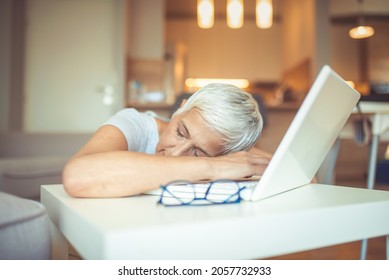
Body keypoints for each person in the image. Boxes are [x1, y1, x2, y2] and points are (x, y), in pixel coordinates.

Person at [62, 83, 271, 198]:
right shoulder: (136, 124)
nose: (176, 153)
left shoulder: (231, 154)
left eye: (197, 153)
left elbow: (275, 163)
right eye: (180, 132)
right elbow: (77, 176)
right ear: (181, 108)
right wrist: (211, 166)